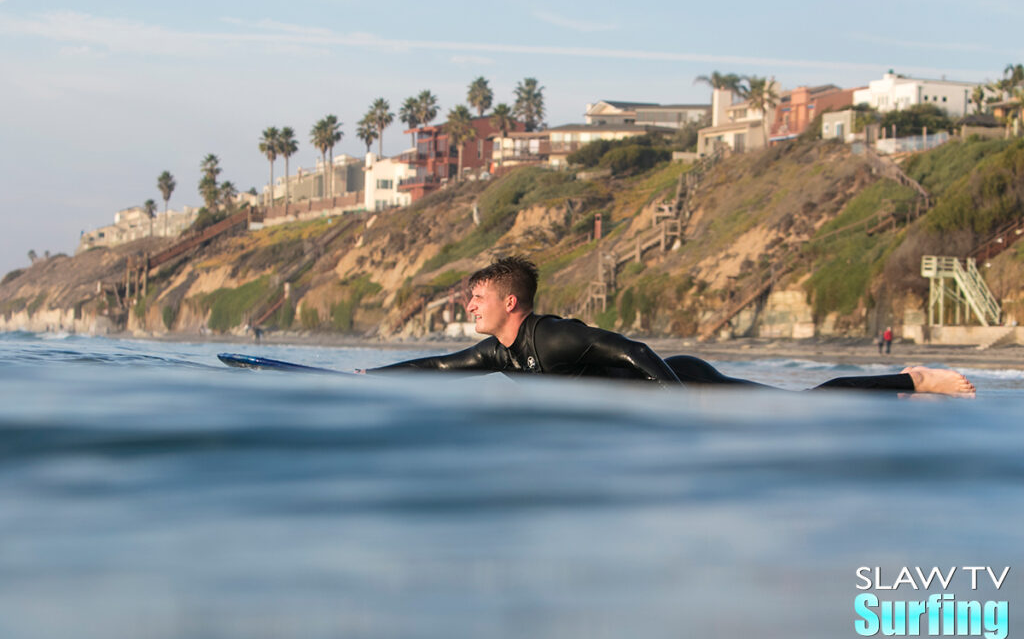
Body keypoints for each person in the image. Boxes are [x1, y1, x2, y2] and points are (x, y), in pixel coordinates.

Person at [368, 257, 975, 397]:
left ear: (509, 300)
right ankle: (903, 386)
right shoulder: (502, 352)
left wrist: (678, 405)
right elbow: (437, 366)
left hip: (686, 384)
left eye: (476, 298)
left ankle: (914, 377)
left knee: (806, 403)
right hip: (668, 397)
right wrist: (362, 375)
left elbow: (632, 349)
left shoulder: (550, 335)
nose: (468, 306)